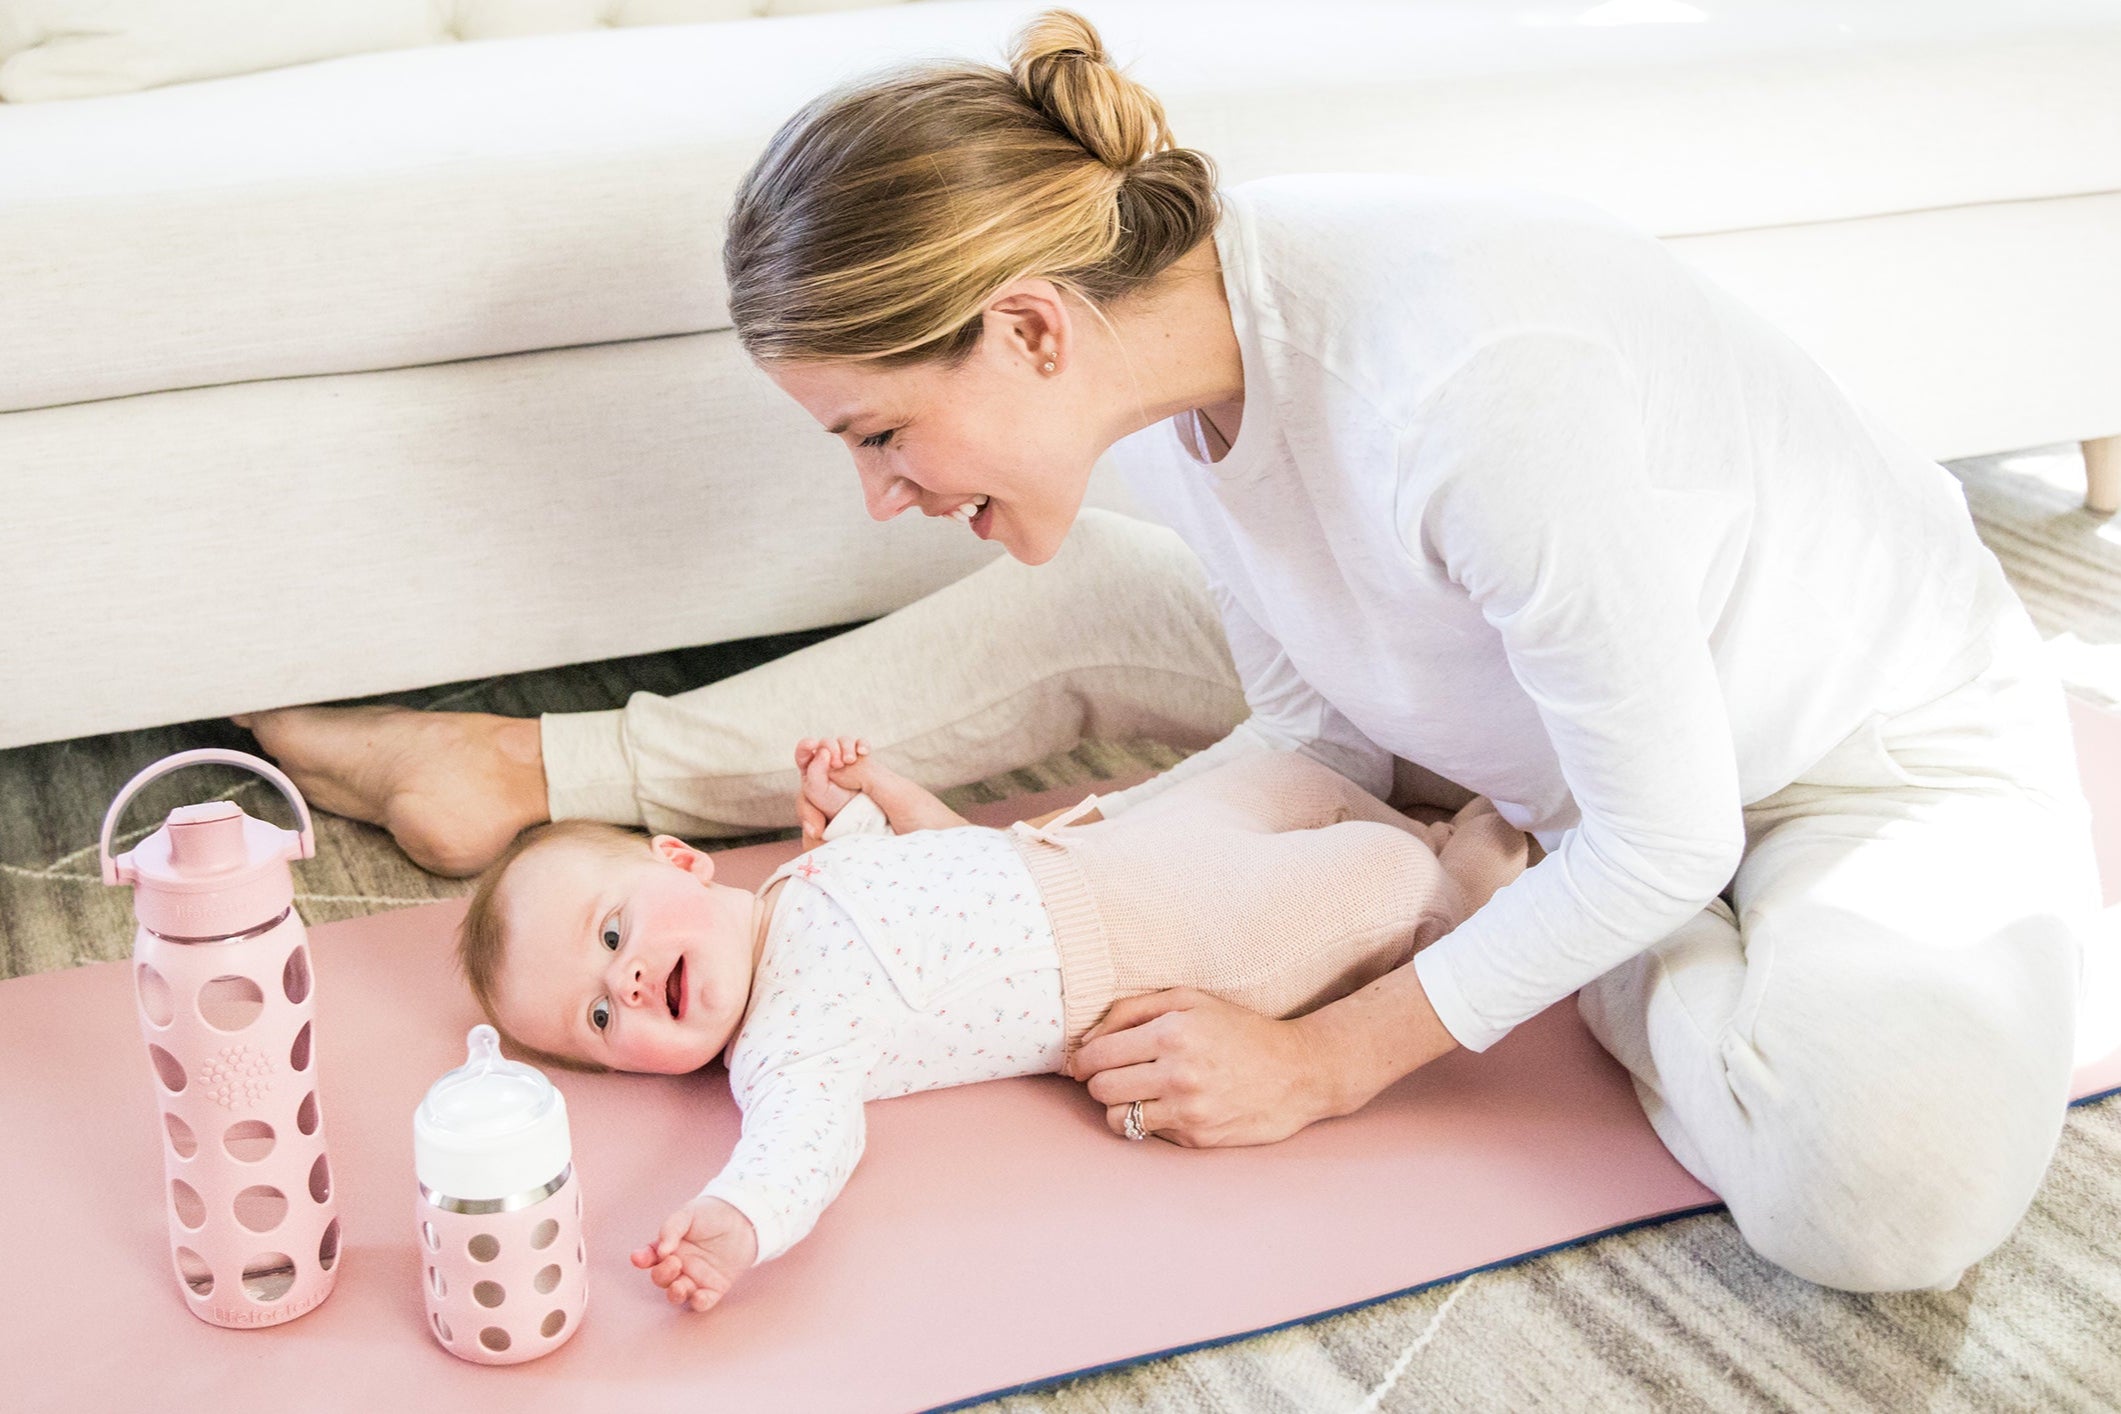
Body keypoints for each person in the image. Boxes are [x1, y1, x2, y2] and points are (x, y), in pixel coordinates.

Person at [238, 8, 2103, 1292]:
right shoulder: (1188, 360)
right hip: (1501, 734)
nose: (881, 494)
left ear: (1032, 331)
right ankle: (541, 770)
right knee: (1085, 606)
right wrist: (1099, 879)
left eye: (880, 432)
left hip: (1837, 762)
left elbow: (1662, 818)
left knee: (1886, 1177)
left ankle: (1567, 930)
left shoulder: (1464, 395)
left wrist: (1336, 1048)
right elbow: (1311, 711)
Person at [461, 735, 1526, 1311]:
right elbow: (801, 1147)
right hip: (1150, 947)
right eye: (602, 1017)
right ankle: (1469, 881)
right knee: (1375, 885)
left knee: (1290, 771)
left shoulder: (800, 875)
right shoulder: (787, 1041)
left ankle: (1407, 809)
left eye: (612, 936)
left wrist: (880, 791)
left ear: (682, 861)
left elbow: (942, 848)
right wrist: (735, 1223)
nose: (633, 982)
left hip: (1097, 843)